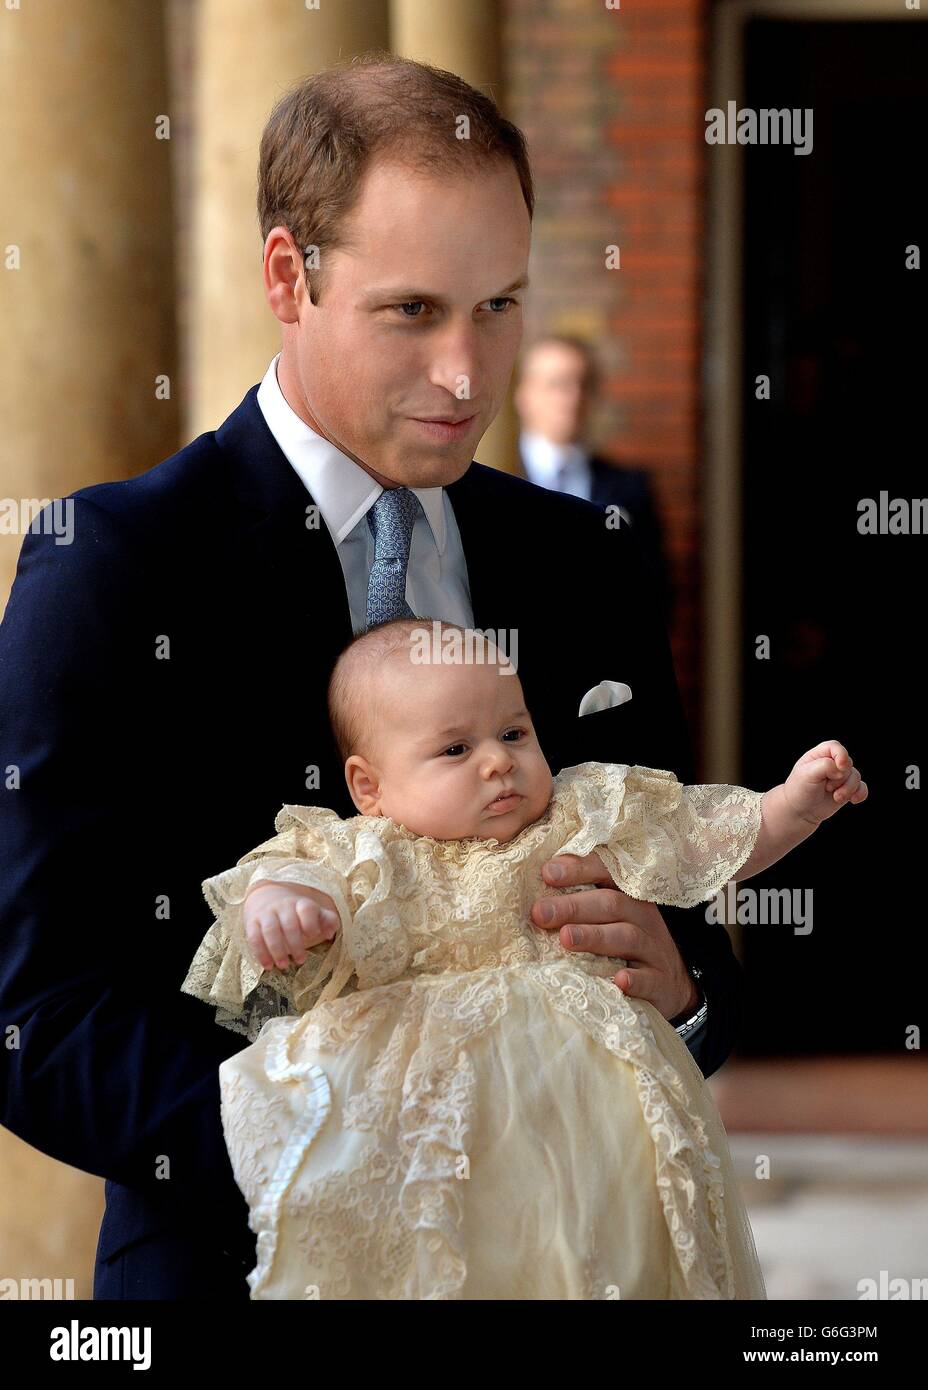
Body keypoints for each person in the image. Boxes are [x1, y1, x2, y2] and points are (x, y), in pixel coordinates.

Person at [0, 52, 747, 1301]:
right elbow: (39, 1013)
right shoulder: (113, 566)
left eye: (500, 306)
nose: (468, 373)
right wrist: (339, 1149)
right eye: (414, 311)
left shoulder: (583, 562)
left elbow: (689, 928)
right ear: (289, 276)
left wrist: (680, 994)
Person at [181, 618, 867, 1300]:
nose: (498, 761)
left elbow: (699, 839)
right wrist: (284, 902)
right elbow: (284, 875)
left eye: (513, 733)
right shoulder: (370, 855)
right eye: (455, 748)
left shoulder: (579, 815)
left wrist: (791, 808)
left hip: (599, 1129)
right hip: (438, 1136)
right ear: (368, 788)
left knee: (625, 1256)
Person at [514, 334, 673, 622]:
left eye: (584, 385)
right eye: (558, 384)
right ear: (524, 395)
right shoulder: (484, 480)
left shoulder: (630, 488)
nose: (573, 397)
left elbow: (655, 594)